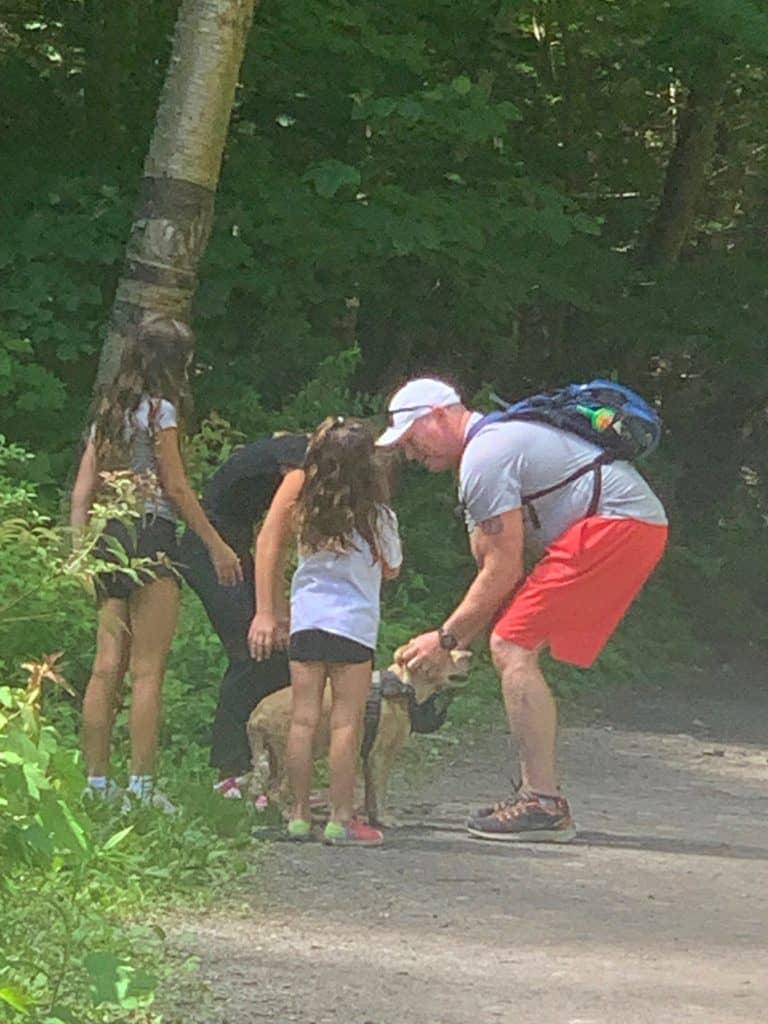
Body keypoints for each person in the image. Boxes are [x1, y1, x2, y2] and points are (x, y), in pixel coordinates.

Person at [376, 377, 668, 843]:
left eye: (413, 438)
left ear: (440, 414)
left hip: (619, 525)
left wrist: (445, 640)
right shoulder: (492, 445)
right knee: (512, 637)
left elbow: (501, 568)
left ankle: (543, 804)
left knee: (512, 644)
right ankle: (538, 794)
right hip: (627, 524)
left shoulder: (485, 455)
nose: (410, 454)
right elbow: (496, 567)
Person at [70, 316, 242, 812]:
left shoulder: (108, 412)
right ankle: (141, 789)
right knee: (147, 672)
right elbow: (177, 487)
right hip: (150, 535)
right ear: (175, 363)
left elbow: (83, 490)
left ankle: (96, 784)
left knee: (105, 668)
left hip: (108, 536)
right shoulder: (159, 412)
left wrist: (81, 551)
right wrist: (215, 543)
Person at [253, 416, 402, 846]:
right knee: (344, 725)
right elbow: (392, 568)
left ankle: (298, 815)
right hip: (353, 627)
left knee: (303, 721)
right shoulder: (377, 516)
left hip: (307, 623)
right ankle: (341, 817)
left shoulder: (306, 510)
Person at [178, 433, 307, 796]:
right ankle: (228, 768)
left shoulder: (295, 448)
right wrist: (269, 611)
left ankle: (266, 766)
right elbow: (275, 535)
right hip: (210, 545)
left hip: (234, 541)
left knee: (275, 654)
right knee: (250, 651)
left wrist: (278, 611)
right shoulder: (301, 460)